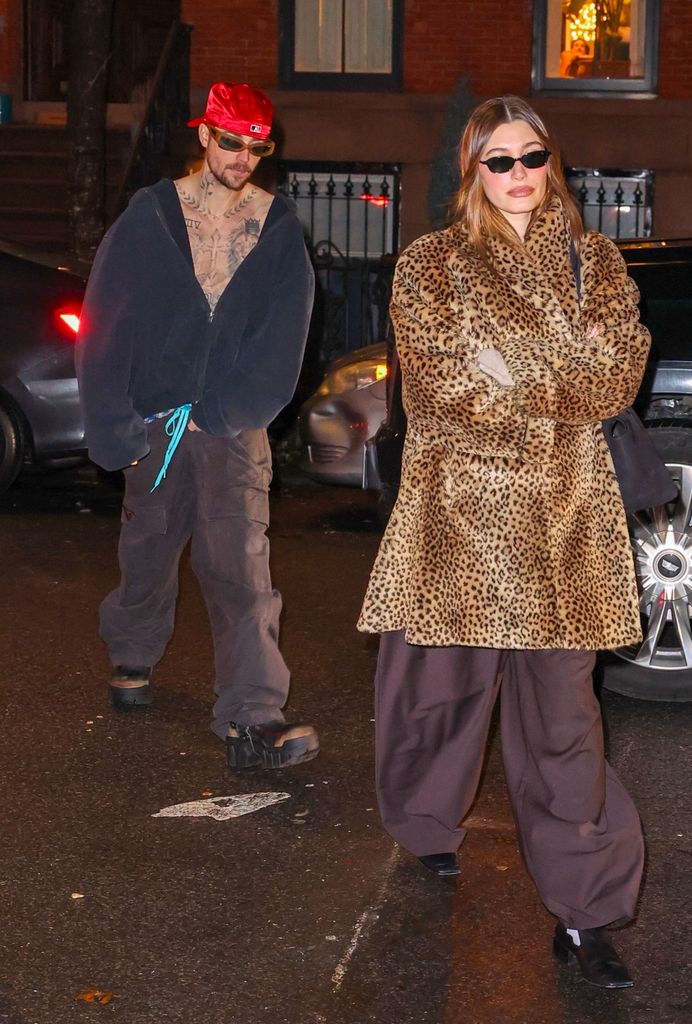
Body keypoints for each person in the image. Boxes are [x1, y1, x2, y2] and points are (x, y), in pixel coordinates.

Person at [358, 95, 649, 989]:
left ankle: (585, 910)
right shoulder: (431, 265)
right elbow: (439, 392)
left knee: (565, 731)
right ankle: (422, 825)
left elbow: (618, 373)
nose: (520, 176)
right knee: (435, 701)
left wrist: (510, 369)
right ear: (471, 170)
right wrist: (558, 369)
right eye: (500, 161)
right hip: (458, 523)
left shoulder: (593, 260)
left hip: (566, 526)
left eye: (532, 158)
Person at [76, 81, 319, 771]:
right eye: (230, 142)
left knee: (240, 564)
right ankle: (131, 650)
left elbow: (284, 337)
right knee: (149, 549)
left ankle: (254, 714)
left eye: (254, 147)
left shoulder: (276, 228)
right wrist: (113, 424)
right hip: (153, 420)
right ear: (204, 137)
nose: (241, 157)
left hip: (231, 427)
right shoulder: (150, 217)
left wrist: (232, 412)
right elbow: (105, 324)